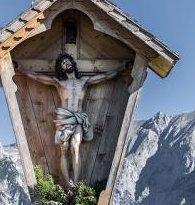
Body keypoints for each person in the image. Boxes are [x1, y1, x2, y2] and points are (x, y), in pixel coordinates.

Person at [16, 53, 124, 188]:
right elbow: (37, 76)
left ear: (72, 63)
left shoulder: (84, 81)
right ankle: (68, 184)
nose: (65, 64)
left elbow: (105, 76)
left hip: (78, 118)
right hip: (64, 117)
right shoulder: (59, 82)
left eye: (67, 61)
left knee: (75, 146)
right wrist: (21, 69)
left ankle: (76, 183)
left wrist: (121, 68)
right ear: (61, 68)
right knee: (64, 149)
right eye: (62, 64)